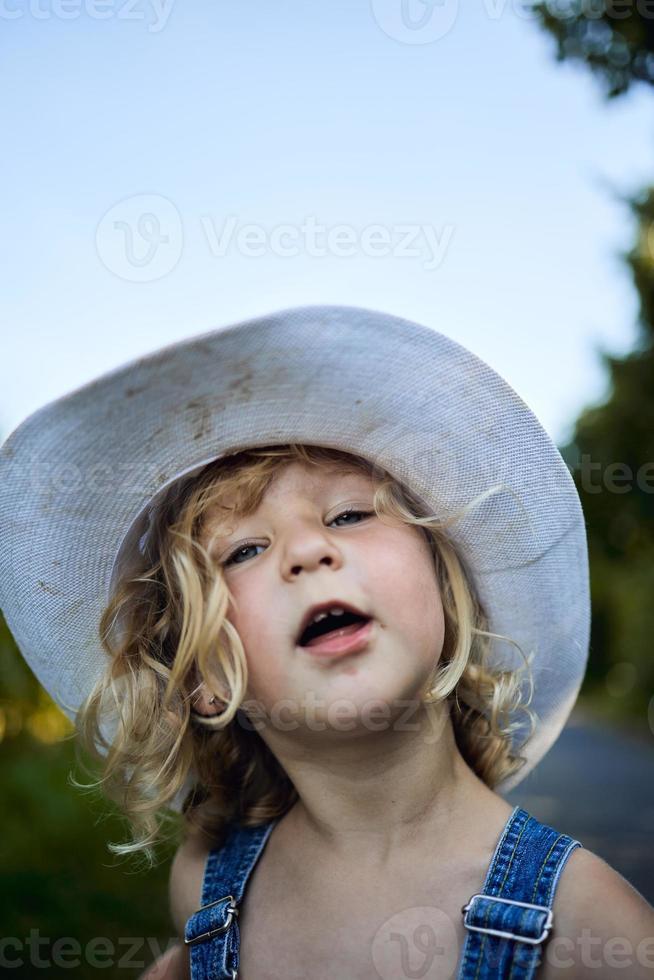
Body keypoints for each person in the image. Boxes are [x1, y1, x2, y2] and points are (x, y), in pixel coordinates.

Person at [0, 306, 652, 980]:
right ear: (205, 678)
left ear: (448, 602)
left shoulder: (590, 927)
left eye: (349, 514)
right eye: (245, 550)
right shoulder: (208, 887)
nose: (309, 550)